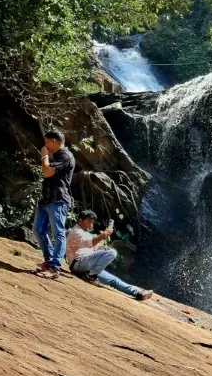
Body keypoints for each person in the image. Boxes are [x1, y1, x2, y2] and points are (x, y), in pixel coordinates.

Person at [67, 210, 154, 301]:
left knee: (114, 280)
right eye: (89, 221)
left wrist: (103, 247)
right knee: (112, 253)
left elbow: (94, 245)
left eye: (92, 222)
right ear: (80, 220)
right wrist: (105, 234)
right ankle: (91, 276)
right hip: (78, 264)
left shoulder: (85, 233)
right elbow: (92, 242)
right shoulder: (76, 231)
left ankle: (137, 292)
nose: (91, 224)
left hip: (87, 267)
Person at [33, 129, 75, 279]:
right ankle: (50, 261)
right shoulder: (57, 155)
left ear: (54, 141)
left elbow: (48, 172)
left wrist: (44, 155)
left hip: (58, 200)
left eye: (46, 142)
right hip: (46, 200)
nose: (45, 145)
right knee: (38, 230)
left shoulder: (65, 156)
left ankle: (55, 268)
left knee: (58, 234)